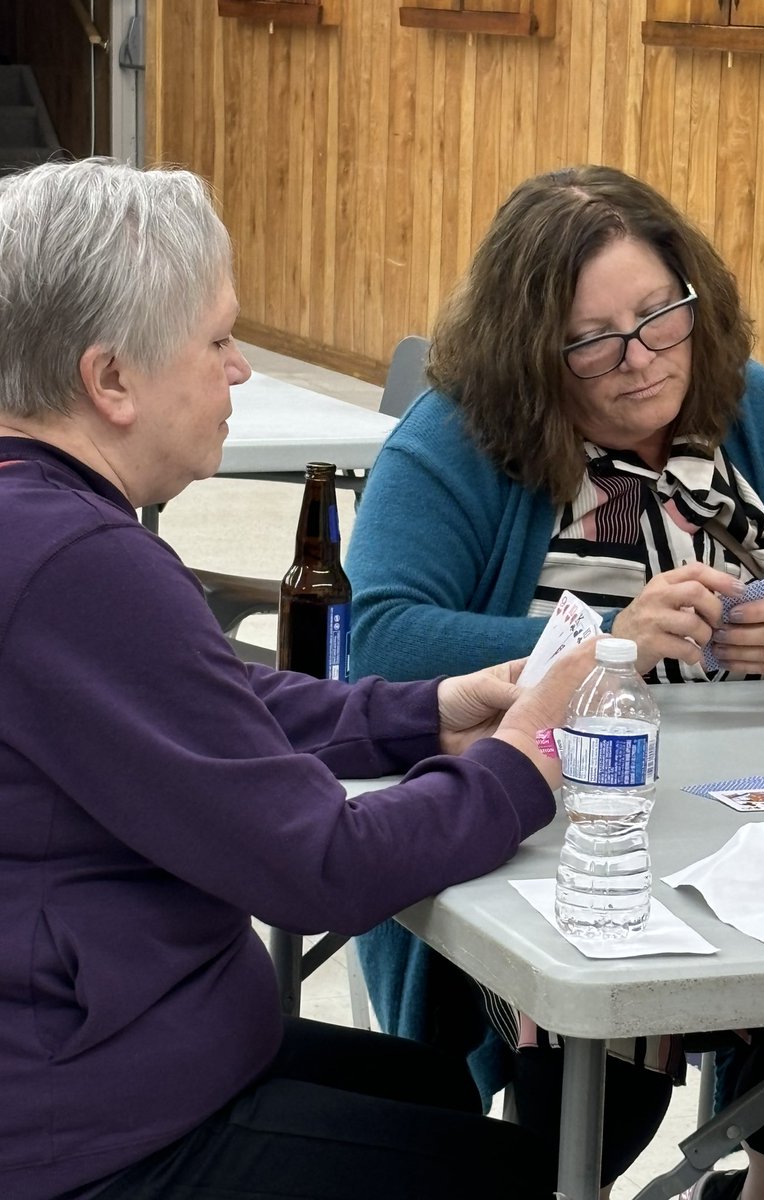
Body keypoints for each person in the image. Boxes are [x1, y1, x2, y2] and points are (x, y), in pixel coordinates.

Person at [0, 157, 603, 1200]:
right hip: (86, 1125)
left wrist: (423, 714)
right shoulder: (74, 563)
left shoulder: (40, 524)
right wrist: (525, 761)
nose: (240, 370)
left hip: (98, 1056)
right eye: (220, 339)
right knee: (503, 1173)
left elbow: (191, 706)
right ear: (111, 380)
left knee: (433, 1092)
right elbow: (319, 868)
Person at [346, 165, 764, 1200]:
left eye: (660, 317)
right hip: (555, 825)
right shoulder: (461, 438)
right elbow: (381, 643)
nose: (641, 361)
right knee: (615, 1049)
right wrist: (608, 638)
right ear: (531, 349)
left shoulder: (758, 413)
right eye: (596, 339)